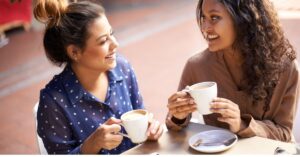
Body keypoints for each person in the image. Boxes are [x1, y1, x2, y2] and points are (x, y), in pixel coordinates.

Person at [33, 0, 163, 154]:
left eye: (111, 34)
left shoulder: (123, 68)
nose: (115, 44)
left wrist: (151, 130)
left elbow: (142, 114)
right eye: (103, 41)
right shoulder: (53, 101)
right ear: (74, 52)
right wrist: (91, 145)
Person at [166, 0, 299, 142]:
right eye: (203, 18)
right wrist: (177, 116)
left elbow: (284, 133)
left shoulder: (286, 68)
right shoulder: (196, 66)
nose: (205, 28)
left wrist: (242, 125)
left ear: (243, 18)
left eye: (214, 17)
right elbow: (174, 126)